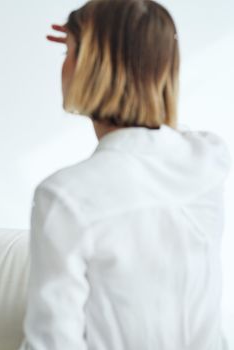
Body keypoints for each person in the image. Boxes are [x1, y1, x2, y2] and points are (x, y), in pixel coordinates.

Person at [21, 1, 231, 349]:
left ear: (91, 67)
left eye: (69, 54)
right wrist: (135, 53)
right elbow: (172, 134)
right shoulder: (209, 159)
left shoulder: (64, 196)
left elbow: (52, 342)